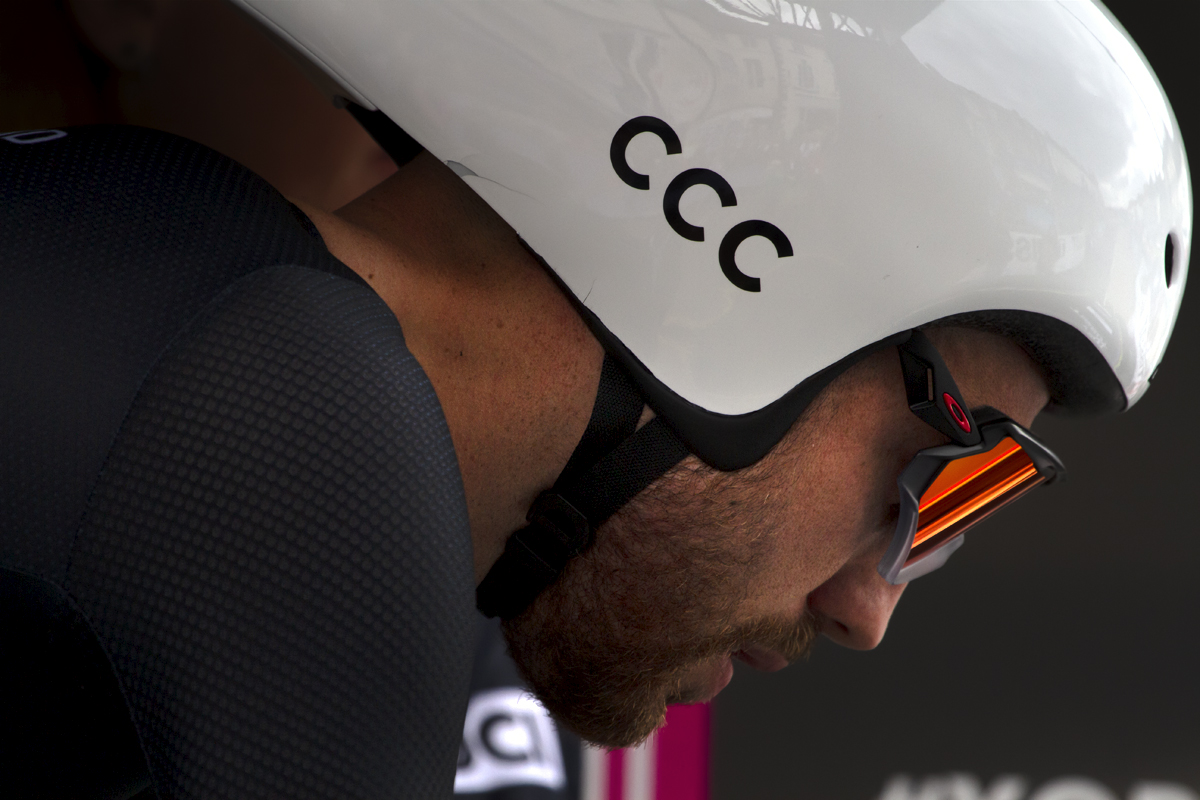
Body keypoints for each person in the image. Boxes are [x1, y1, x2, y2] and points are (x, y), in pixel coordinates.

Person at [1, 1, 1190, 798]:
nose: (866, 607)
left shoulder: (155, 266)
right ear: (754, 252)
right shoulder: (287, 435)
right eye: (939, 478)